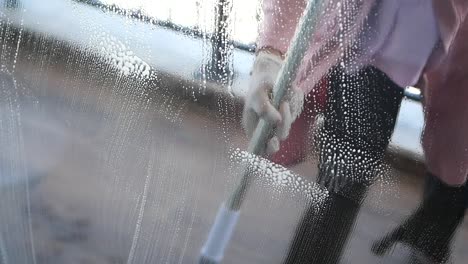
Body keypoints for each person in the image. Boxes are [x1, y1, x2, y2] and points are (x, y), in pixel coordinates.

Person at [242, 0, 468, 263]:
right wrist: (272, 54)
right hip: (369, 44)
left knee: (454, 166)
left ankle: (429, 241)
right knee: (341, 185)